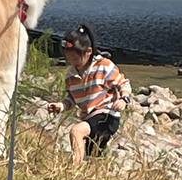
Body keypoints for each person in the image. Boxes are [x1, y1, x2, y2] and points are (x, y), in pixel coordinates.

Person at [47, 24, 132, 164]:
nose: (73, 63)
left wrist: (124, 99)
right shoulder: (71, 75)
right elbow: (72, 99)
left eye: (76, 59)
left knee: (76, 131)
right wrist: (60, 106)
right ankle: (89, 169)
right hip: (89, 117)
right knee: (92, 155)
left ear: (89, 52)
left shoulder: (104, 66)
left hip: (107, 115)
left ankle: (75, 167)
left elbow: (123, 83)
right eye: (69, 59)